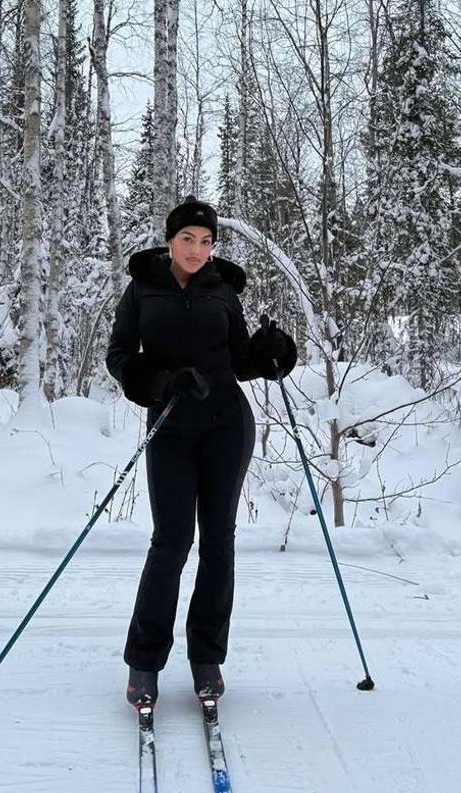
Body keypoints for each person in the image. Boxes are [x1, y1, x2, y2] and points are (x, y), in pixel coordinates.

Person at [105, 195, 298, 708]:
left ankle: (206, 657)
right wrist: (163, 382)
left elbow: (239, 360)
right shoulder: (144, 287)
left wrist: (271, 353)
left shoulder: (222, 290)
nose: (196, 249)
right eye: (188, 239)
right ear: (170, 239)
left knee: (219, 542)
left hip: (226, 427)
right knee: (171, 540)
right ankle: (144, 662)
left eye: (206, 241)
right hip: (169, 425)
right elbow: (120, 356)